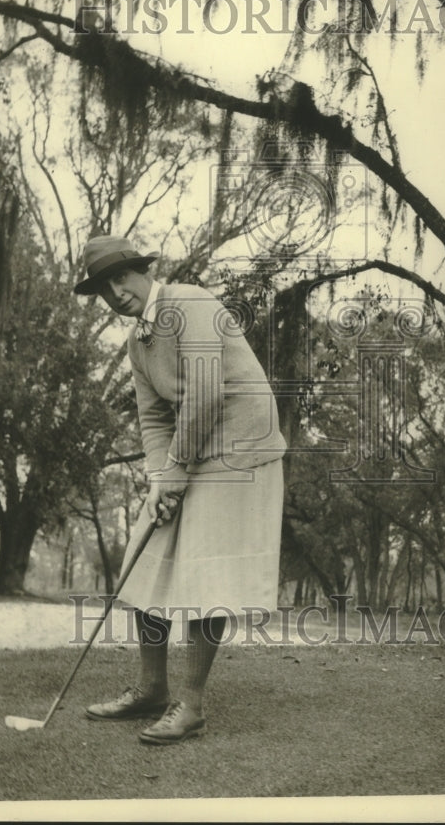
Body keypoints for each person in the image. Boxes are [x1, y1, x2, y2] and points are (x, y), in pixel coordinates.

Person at [74, 234, 286, 744]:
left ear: (145, 271)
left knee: (204, 573)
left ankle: (189, 706)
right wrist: (158, 478)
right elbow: (152, 417)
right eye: (104, 286)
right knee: (146, 558)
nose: (116, 292)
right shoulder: (136, 342)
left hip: (241, 449)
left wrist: (177, 470)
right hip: (192, 449)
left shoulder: (188, 303)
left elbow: (205, 394)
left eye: (122, 276)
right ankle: (150, 688)